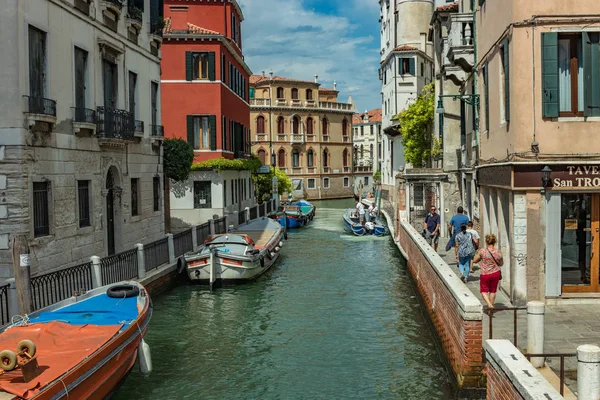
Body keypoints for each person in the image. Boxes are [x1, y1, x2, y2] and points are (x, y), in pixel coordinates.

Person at [472, 233, 503, 309]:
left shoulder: (482, 251)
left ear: (486, 242)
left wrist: (478, 256)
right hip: (495, 273)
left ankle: (489, 305)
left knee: (484, 291)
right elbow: (501, 263)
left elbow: (475, 261)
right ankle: (491, 308)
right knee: (493, 291)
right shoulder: (498, 252)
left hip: (485, 274)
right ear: (495, 242)